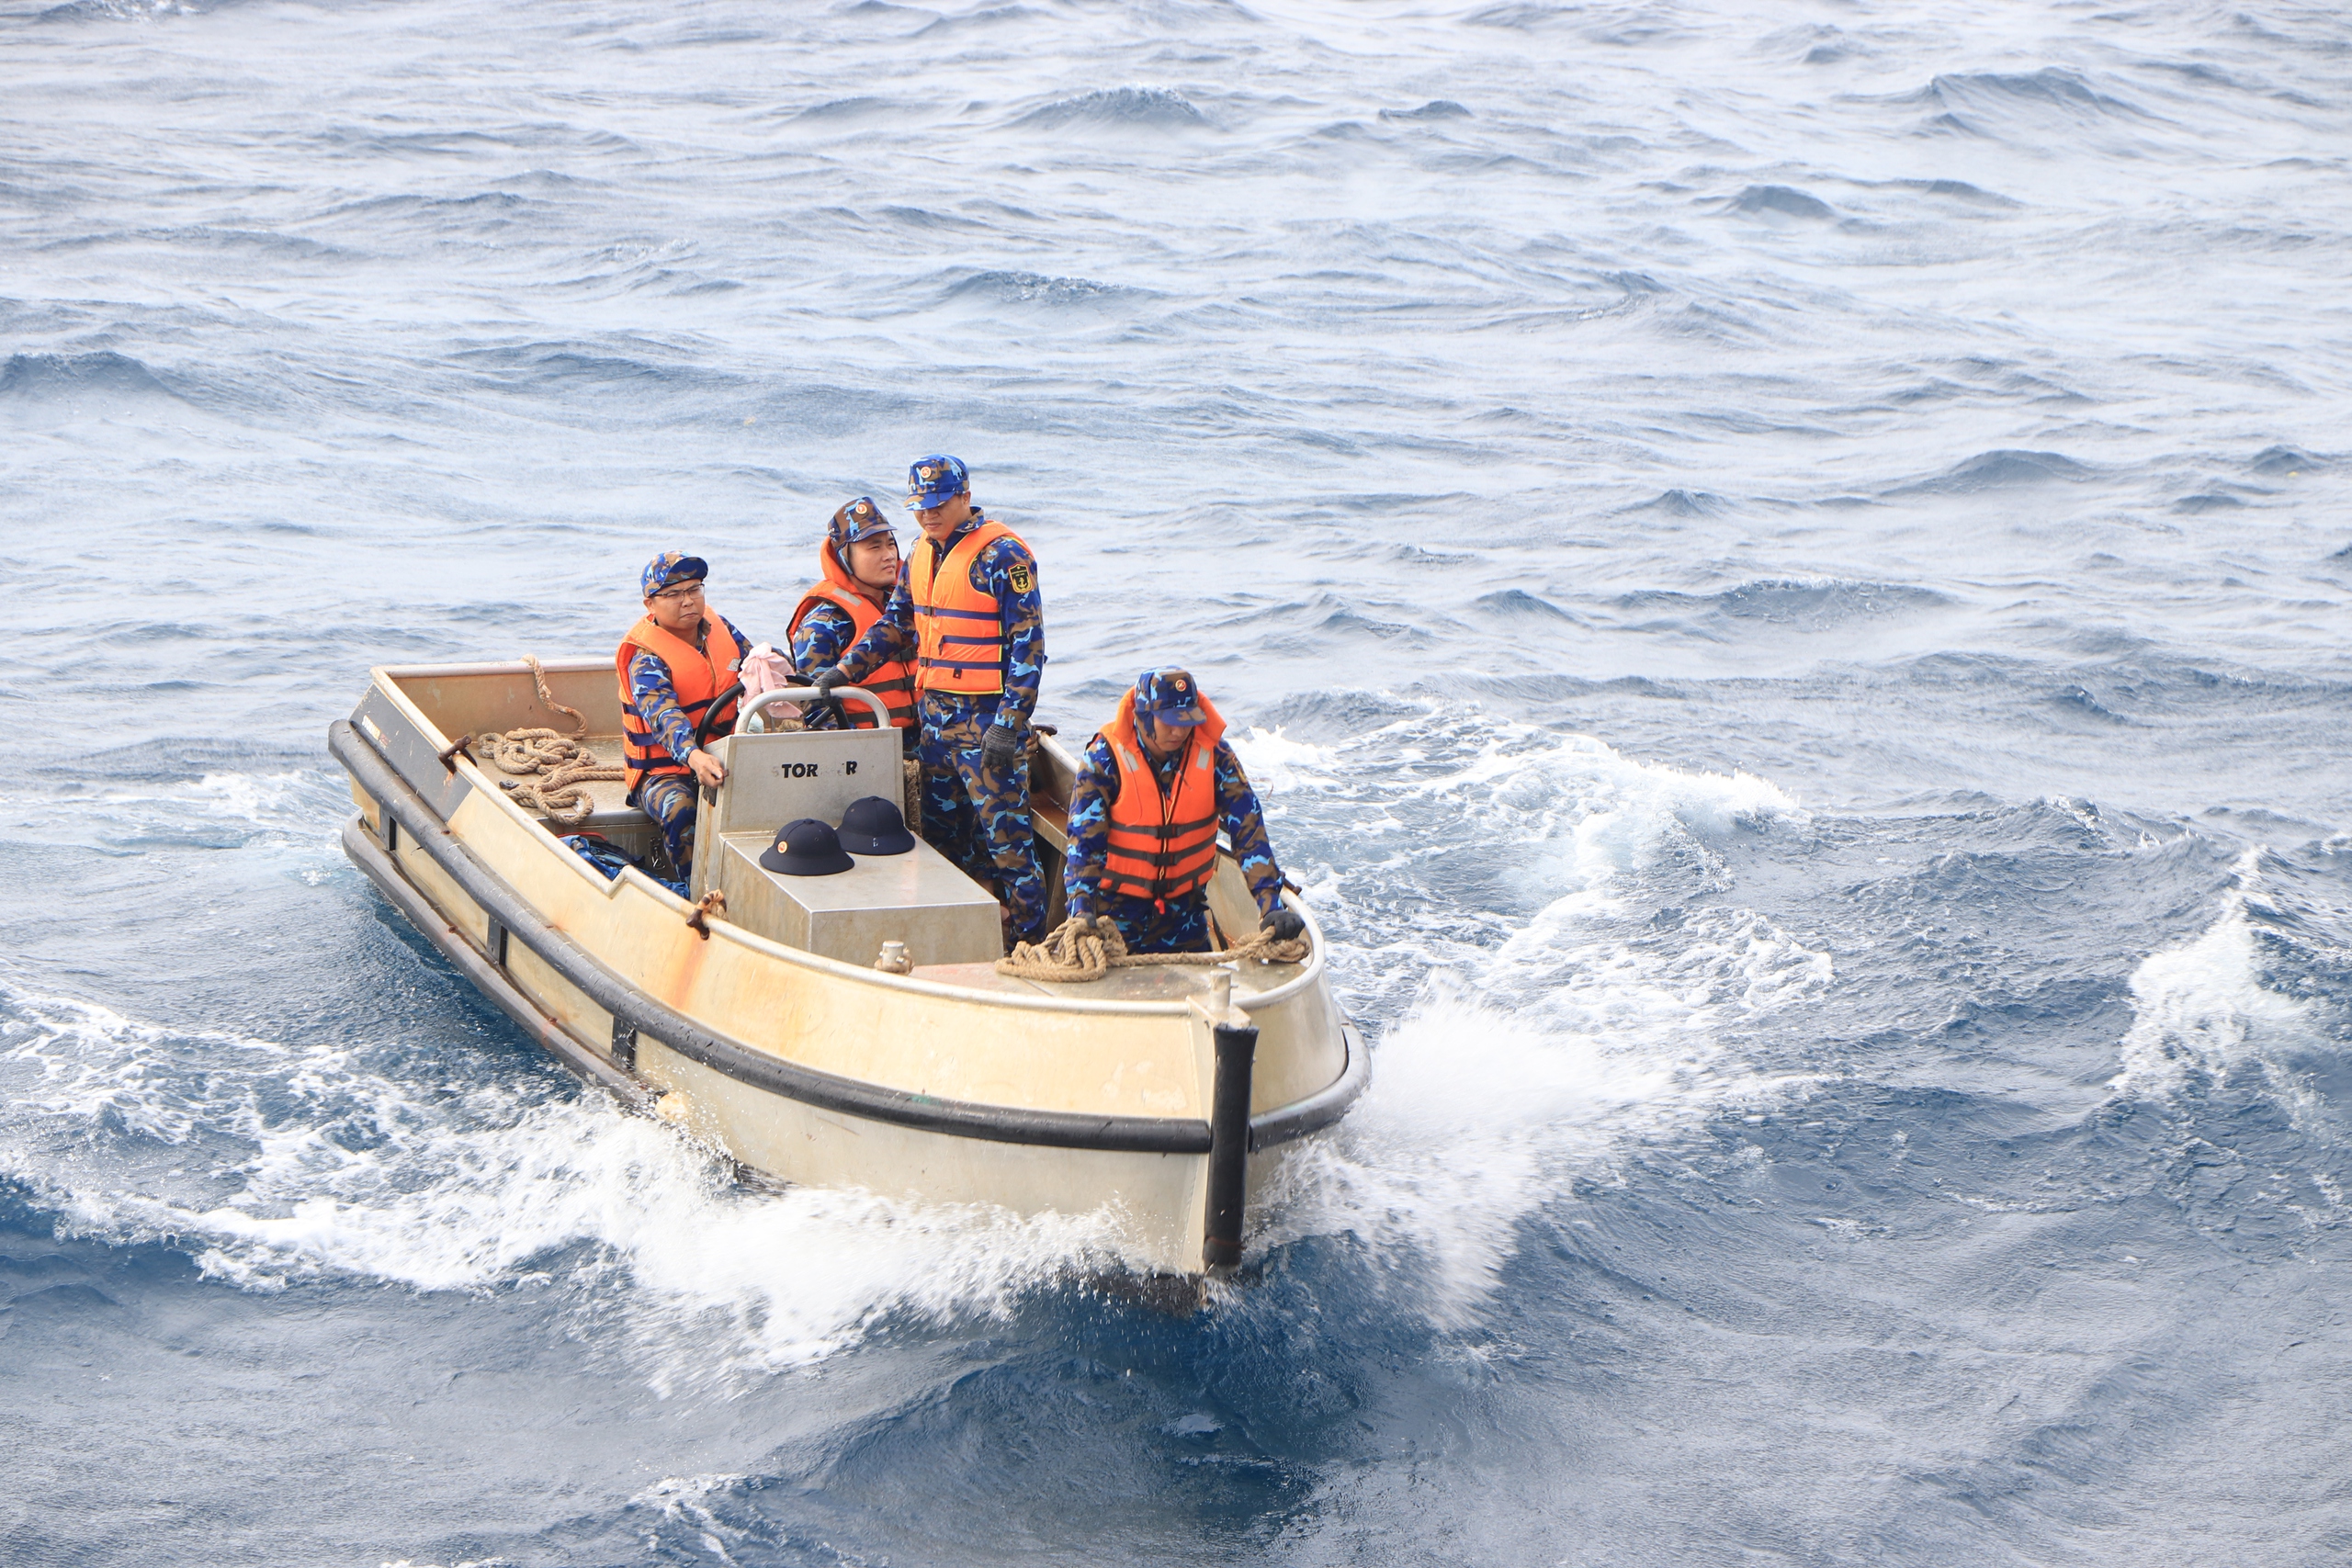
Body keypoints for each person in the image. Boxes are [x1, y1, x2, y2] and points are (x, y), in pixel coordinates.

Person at [811, 455, 1047, 944]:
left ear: (964, 497)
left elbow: (1030, 647)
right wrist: (842, 672)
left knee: (1009, 848)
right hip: (935, 727)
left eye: (939, 505)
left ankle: (1032, 945)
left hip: (987, 729)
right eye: (920, 508)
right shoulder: (921, 551)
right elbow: (896, 625)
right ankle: (954, 940)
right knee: (939, 844)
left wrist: (1009, 723)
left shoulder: (1005, 557)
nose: (928, 516)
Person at [1062, 668, 1307, 955]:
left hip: (1185, 916)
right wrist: (1081, 912)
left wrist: (1270, 906)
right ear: (1142, 715)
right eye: (1168, 722)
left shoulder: (1217, 757)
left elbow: (1249, 830)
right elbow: (1084, 844)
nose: (1179, 731)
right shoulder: (1103, 758)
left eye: (1186, 720)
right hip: (1114, 917)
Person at [616, 551, 754, 875]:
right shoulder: (646, 658)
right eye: (674, 594)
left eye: (694, 589)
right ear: (650, 604)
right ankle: (695, 893)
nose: (688, 601)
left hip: (723, 753)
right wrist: (694, 757)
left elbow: (754, 662)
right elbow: (664, 717)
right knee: (682, 809)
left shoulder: (721, 629)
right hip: (663, 773)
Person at [786, 497, 916, 739]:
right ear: (845, 557)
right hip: (871, 746)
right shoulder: (822, 624)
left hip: (927, 743)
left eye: (890, 544)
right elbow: (820, 716)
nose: (888, 555)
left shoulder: (907, 607)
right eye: (874, 547)